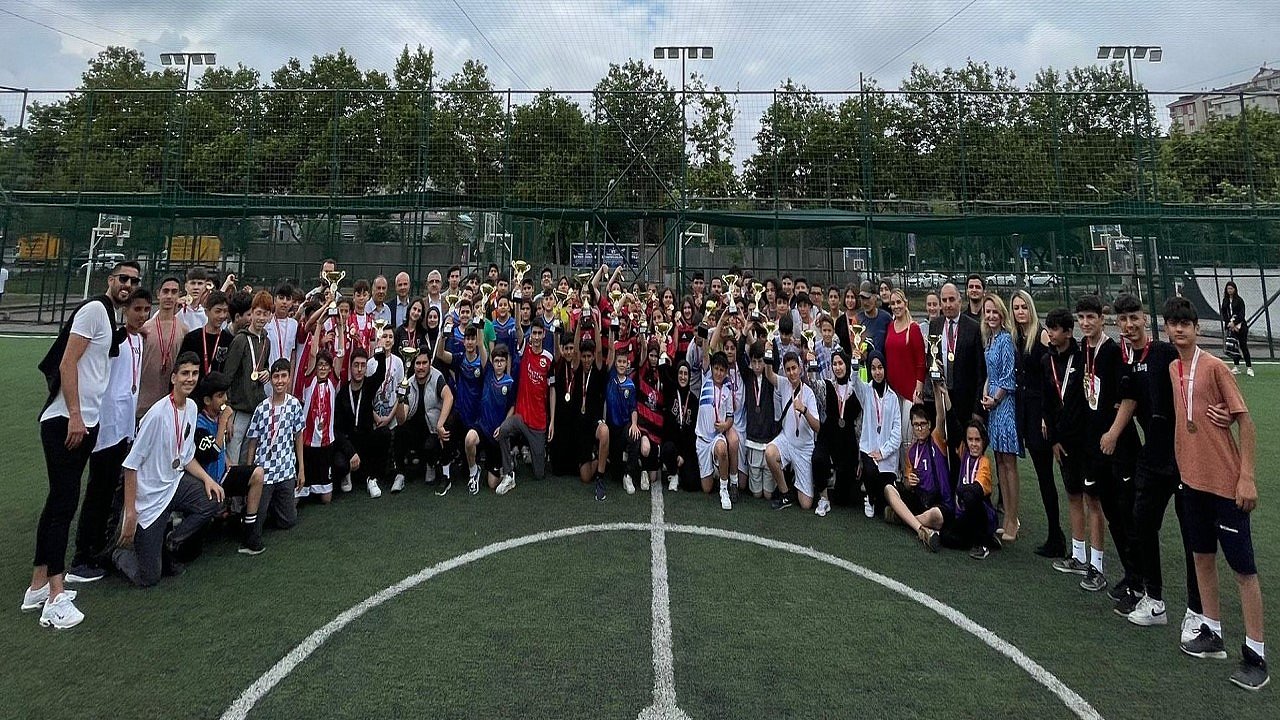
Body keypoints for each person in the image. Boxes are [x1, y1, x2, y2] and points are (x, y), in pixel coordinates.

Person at [24, 260, 139, 628]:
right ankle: (55, 596)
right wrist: (74, 414)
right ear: (110, 280)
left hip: (85, 421)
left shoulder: (110, 316)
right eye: (123, 278)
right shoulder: (94, 310)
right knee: (63, 506)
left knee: (57, 503)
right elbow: (67, 363)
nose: (128, 284)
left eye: (134, 281)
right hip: (66, 422)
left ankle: (38, 585)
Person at [1165, 296, 1268, 691]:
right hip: (1193, 484)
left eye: (1185, 324)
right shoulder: (1173, 368)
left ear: (1197, 329)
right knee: (1202, 557)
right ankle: (1211, 632)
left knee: (1243, 570)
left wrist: (1247, 478)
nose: (1179, 329)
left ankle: (1256, 655)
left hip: (1226, 485)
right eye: (1173, 323)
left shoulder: (1215, 367)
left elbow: (1246, 423)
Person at [1111, 294, 1204, 633]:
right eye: (1123, 320)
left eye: (1134, 317)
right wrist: (1113, 433)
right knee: (1142, 523)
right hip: (1152, 457)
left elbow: (1193, 385)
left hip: (1183, 457)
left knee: (1192, 533)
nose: (1129, 325)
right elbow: (1129, 400)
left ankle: (1197, 610)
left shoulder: (1165, 354)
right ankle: (1153, 599)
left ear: (1145, 319)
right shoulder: (1127, 360)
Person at [112, 352, 224, 587]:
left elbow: (186, 457)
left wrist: (207, 479)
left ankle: (171, 541)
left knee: (213, 499)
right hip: (150, 497)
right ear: (173, 378)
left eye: (194, 374)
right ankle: (119, 554)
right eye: (185, 373)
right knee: (149, 578)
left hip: (174, 484)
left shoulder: (192, 407)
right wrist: (130, 512)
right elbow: (130, 466)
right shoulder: (156, 415)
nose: (190, 379)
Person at [65, 288, 150, 584]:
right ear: (125, 310)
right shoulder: (116, 340)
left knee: (110, 490)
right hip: (105, 426)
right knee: (97, 491)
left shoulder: (140, 340)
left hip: (124, 428)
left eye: (145, 310)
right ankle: (81, 557)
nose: (141, 315)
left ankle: (99, 547)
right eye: (136, 309)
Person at [1077, 294, 1140, 596]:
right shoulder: (1083, 349)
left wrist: (1113, 433)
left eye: (1091, 317)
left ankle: (1139, 579)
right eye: (1081, 318)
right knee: (1110, 511)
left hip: (1119, 445)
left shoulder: (1113, 351)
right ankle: (1131, 576)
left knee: (1126, 513)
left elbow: (1126, 397)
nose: (1086, 323)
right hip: (1095, 445)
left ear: (1102, 319)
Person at [191, 371, 267, 554]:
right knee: (191, 550)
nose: (225, 399)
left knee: (257, 474)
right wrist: (224, 421)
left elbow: (220, 451)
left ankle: (249, 533)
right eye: (220, 395)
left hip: (223, 475)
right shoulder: (199, 424)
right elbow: (211, 453)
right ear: (207, 400)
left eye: (225, 394)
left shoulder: (217, 417)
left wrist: (227, 460)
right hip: (206, 483)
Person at [1012, 290, 1061, 558]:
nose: (1020, 311)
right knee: (1042, 475)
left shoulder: (1041, 335)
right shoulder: (1017, 337)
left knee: (1046, 476)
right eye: (1016, 307)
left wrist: (1045, 414)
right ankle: (1055, 534)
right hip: (1025, 410)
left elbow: (1051, 379)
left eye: (1024, 307)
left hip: (1039, 411)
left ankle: (1056, 535)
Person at [926, 283, 986, 482]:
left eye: (952, 300)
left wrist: (977, 409)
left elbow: (980, 372)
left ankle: (968, 490)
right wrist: (933, 369)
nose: (948, 304)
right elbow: (931, 357)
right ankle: (947, 491)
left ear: (960, 301)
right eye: (944, 300)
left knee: (964, 450)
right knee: (943, 448)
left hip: (965, 402)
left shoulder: (973, 327)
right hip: (942, 399)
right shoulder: (935, 325)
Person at [244, 359, 306, 541]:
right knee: (257, 521)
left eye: (283, 376)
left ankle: (276, 505)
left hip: (286, 471)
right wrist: (249, 471)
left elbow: (298, 437)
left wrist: (301, 469)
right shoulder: (262, 408)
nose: (279, 381)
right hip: (265, 472)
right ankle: (264, 506)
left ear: (289, 378)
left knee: (288, 521)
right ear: (270, 379)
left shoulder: (294, 405)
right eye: (276, 376)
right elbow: (252, 441)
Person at [980, 293, 1022, 542]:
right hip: (993, 405)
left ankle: (1013, 519)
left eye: (995, 311)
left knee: (1008, 463)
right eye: (988, 311)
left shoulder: (1005, 339)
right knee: (999, 461)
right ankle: (1006, 518)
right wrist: (986, 392)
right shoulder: (990, 339)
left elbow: (1008, 377)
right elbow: (991, 373)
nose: (991, 315)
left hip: (1004, 405)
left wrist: (995, 399)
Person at [885, 401, 952, 552]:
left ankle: (903, 518)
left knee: (936, 516)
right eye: (916, 425)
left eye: (923, 424)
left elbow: (941, 416)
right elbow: (907, 484)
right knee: (889, 489)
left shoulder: (936, 440)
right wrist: (909, 482)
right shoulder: (911, 451)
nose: (920, 428)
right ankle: (922, 529)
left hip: (938, 502)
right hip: (920, 499)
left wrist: (937, 390)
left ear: (929, 424)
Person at [498, 323, 555, 489]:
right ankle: (508, 473)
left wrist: (552, 421)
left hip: (538, 422)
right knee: (503, 431)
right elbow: (518, 329)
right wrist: (516, 307)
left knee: (539, 474)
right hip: (521, 416)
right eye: (533, 333)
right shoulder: (525, 350)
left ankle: (534, 451)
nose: (536, 337)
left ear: (544, 334)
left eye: (539, 333)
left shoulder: (549, 358)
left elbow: (552, 390)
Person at [393, 351, 458, 493]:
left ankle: (433, 465)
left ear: (430, 364)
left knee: (444, 431)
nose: (421, 367)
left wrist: (440, 424)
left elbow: (449, 397)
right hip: (417, 430)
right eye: (418, 363)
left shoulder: (437, 377)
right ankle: (400, 474)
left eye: (424, 363)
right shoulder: (409, 383)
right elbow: (401, 419)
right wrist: (400, 400)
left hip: (433, 429)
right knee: (399, 431)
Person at [848, 350, 900, 518]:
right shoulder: (866, 391)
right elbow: (854, 381)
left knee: (886, 496)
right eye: (873, 368)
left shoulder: (893, 397)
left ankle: (877, 496)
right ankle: (869, 498)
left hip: (887, 454)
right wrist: (855, 361)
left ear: (885, 368)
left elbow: (897, 434)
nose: (877, 372)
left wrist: (883, 452)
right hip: (869, 449)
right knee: (871, 473)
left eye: (880, 367)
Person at [811, 350, 863, 517]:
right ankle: (823, 497)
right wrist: (811, 364)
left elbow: (860, 423)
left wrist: (860, 456)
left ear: (847, 365)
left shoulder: (857, 389)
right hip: (829, 434)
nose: (838, 367)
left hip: (847, 440)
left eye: (841, 363)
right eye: (834, 364)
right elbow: (811, 383)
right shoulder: (827, 385)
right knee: (818, 459)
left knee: (842, 499)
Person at [224, 291, 273, 465]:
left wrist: (267, 372)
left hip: (256, 408)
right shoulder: (240, 340)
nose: (261, 318)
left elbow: (263, 365)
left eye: (265, 314)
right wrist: (227, 411)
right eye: (258, 313)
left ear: (270, 316)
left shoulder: (266, 341)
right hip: (238, 408)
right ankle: (229, 484)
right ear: (251, 313)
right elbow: (227, 376)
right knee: (233, 454)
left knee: (247, 457)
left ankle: (244, 483)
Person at [698, 351, 743, 510]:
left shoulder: (727, 389)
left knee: (722, 449)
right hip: (702, 440)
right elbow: (706, 351)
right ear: (711, 368)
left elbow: (730, 417)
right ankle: (718, 469)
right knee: (706, 488)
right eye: (716, 369)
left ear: (726, 372)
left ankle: (724, 489)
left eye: (722, 370)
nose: (718, 373)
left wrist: (725, 426)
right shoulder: (706, 378)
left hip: (717, 437)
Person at [883, 288, 925, 457]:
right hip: (893, 391)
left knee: (908, 437)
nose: (896, 306)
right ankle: (898, 471)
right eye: (893, 303)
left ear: (905, 303)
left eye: (898, 302)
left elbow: (921, 362)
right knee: (895, 437)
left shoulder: (913, 329)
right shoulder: (890, 327)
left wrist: (918, 391)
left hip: (910, 393)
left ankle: (910, 470)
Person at [137, 277, 185, 419]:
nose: (169, 296)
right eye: (166, 291)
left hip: (170, 401)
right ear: (158, 294)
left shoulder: (184, 330)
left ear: (179, 295)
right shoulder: (144, 328)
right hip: (144, 402)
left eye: (174, 292)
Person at [179, 289, 232, 377]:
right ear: (206, 312)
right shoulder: (192, 338)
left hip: (218, 385)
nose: (222, 316)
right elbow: (181, 367)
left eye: (225, 311)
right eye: (218, 311)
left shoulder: (228, 340)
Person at [1220, 281, 1253, 376]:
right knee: (1233, 347)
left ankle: (1249, 367)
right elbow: (1224, 313)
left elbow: (1242, 314)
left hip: (1240, 327)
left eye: (1231, 288)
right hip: (1230, 327)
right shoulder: (1225, 300)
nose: (1230, 290)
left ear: (1235, 289)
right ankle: (1236, 366)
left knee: (1243, 346)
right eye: (1228, 289)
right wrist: (1229, 324)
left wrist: (1234, 323)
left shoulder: (1239, 300)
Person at [265, 284, 300, 369]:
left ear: (291, 303)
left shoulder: (294, 324)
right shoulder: (267, 323)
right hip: (269, 373)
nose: (284, 302)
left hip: (286, 374)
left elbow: (293, 354)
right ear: (274, 300)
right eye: (281, 298)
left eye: (288, 299)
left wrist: (291, 376)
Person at [856, 280, 891, 355]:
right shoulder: (857, 319)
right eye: (862, 298)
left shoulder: (886, 318)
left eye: (868, 298)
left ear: (875, 297)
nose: (865, 302)